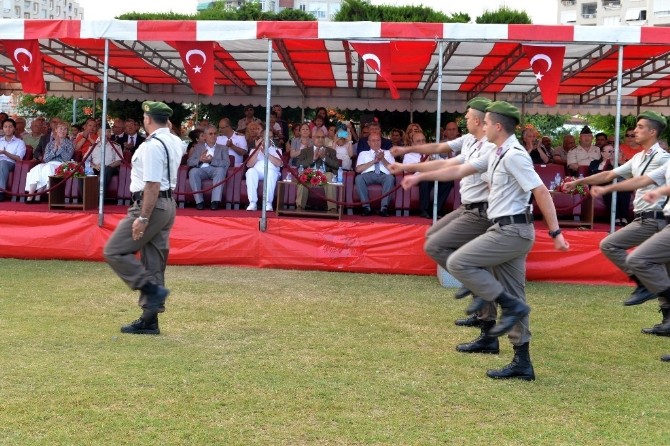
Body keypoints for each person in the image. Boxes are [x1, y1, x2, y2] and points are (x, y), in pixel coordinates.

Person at [405, 101, 569, 381]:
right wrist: (419, 175)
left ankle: (495, 303)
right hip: (504, 229)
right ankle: (522, 361)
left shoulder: (514, 155)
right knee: (516, 296)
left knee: (459, 261)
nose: (480, 126)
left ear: (496, 126)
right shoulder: (497, 152)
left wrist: (556, 233)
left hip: (512, 231)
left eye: (486, 121)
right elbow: (460, 169)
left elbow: (541, 192)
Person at [391, 96, 498, 349]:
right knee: (434, 238)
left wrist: (416, 175)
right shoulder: (470, 140)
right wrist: (407, 153)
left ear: (480, 120)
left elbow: (453, 168)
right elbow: (440, 150)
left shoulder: (491, 148)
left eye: (469, 115)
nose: (464, 119)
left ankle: (487, 328)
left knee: (440, 248)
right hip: (467, 208)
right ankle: (481, 302)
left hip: (481, 213)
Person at [565, 111, 670, 308]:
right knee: (661, 271)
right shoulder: (639, 158)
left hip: (656, 218)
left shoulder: (664, 158)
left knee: (613, 245)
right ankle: (661, 312)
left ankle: (644, 285)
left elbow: (638, 182)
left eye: (639, 128)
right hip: (643, 217)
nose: (634, 132)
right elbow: (609, 174)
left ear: (653, 132)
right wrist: (580, 181)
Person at [103, 101, 183, 335]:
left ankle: (150, 290)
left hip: (150, 204)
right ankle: (150, 320)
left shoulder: (151, 146)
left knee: (114, 250)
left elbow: (152, 183)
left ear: (148, 120)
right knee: (154, 262)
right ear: (166, 120)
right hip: (168, 204)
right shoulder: (175, 141)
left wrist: (143, 217)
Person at [25, 121, 74, 203]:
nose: (63, 131)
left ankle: (41, 193)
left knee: (48, 168)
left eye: (65, 129)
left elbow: (67, 158)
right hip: (49, 163)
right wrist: (54, 149)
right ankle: (31, 195)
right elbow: (46, 159)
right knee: (36, 169)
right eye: (60, 129)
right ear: (56, 130)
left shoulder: (69, 144)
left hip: (62, 164)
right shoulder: (50, 144)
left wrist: (60, 147)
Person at [294, 130, 339, 213]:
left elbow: (336, 165)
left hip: (325, 175)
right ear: (313, 138)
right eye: (318, 137)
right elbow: (299, 164)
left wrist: (324, 158)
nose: (320, 139)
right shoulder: (305, 151)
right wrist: (313, 159)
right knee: (303, 176)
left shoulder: (331, 151)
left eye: (322, 137)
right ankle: (300, 206)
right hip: (310, 174)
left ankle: (332, 208)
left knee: (329, 175)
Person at [187, 124, 229, 211]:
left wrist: (211, 161)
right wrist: (200, 160)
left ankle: (215, 201)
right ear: (205, 136)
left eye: (215, 133)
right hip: (201, 169)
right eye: (210, 134)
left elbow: (226, 163)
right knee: (193, 172)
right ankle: (199, 202)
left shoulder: (223, 148)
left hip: (215, 170)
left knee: (221, 170)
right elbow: (189, 162)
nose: (213, 136)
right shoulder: (198, 147)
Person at [588, 144, 631, 225]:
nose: (612, 154)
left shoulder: (619, 163)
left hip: (617, 184)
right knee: (609, 189)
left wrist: (616, 162)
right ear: (602, 153)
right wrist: (606, 162)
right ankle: (616, 218)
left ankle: (624, 217)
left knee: (623, 189)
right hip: (601, 184)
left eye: (614, 151)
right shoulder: (595, 163)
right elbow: (593, 173)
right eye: (610, 151)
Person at [244, 122, 282, 211]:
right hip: (258, 172)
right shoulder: (254, 150)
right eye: (266, 137)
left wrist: (266, 153)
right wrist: (257, 150)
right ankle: (253, 203)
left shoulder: (277, 150)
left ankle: (268, 203)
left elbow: (279, 164)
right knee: (250, 172)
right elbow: (249, 165)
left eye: (271, 137)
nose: (268, 139)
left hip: (272, 171)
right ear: (261, 138)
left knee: (271, 173)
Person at [355, 133, 395, 217]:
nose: (376, 143)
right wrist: (374, 161)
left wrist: (382, 159)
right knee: (359, 178)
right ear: (368, 143)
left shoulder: (388, 153)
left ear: (381, 141)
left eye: (378, 140)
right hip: (368, 175)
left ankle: (384, 208)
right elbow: (358, 169)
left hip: (384, 175)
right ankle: (366, 207)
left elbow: (393, 170)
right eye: (373, 141)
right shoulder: (363, 153)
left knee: (390, 178)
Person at [88, 133, 123, 197]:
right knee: (87, 171)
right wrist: (94, 166)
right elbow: (86, 160)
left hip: (110, 168)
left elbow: (119, 161)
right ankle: (87, 198)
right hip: (96, 168)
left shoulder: (116, 146)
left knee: (106, 170)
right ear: (99, 134)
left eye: (108, 132)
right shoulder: (93, 146)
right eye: (103, 132)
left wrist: (106, 167)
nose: (106, 134)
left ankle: (99, 197)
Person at [0, 118, 27, 201]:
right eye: (5, 127)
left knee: (3, 163)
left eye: (10, 127)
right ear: (2, 129)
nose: (7, 129)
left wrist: (5, 153)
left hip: (11, 163)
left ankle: (1, 192)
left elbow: (19, 158)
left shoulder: (19, 142)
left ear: (14, 128)